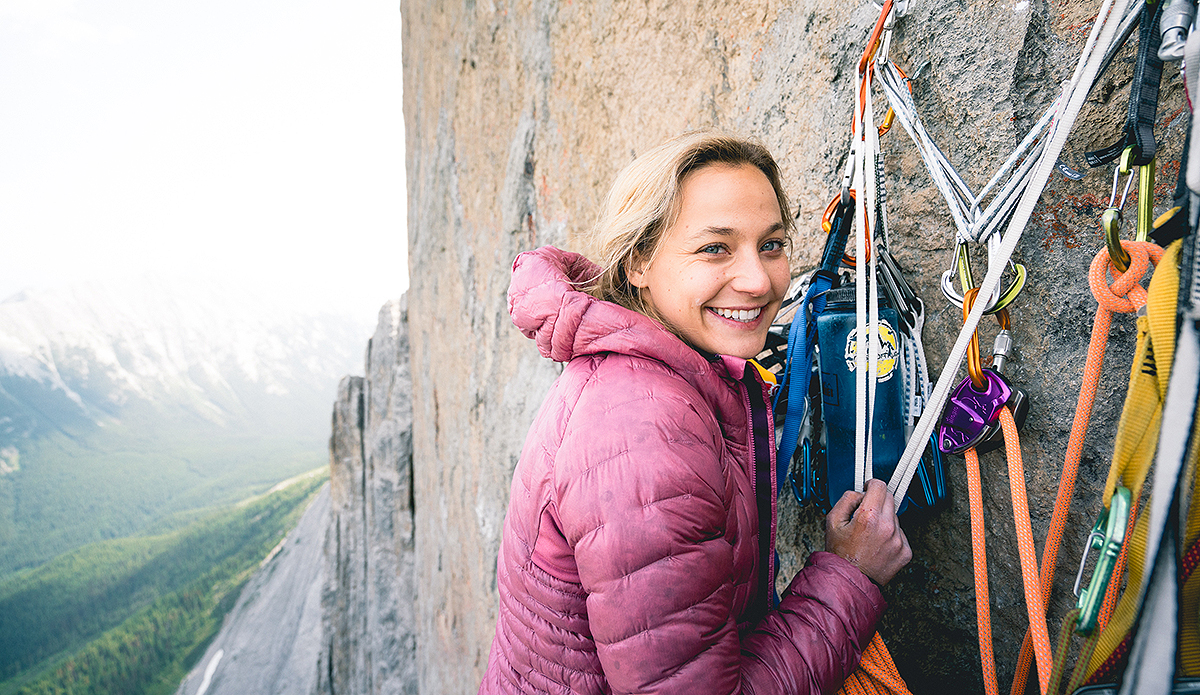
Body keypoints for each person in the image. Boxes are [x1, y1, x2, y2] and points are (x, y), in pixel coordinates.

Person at [480, 131, 911, 695]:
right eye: (715, 248)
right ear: (639, 262)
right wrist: (849, 579)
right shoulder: (643, 432)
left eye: (772, 244)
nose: (758, 280)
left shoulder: (667, 372)